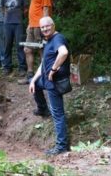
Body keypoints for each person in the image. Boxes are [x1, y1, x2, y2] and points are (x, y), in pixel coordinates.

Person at [29, 16, 70, 156]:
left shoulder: (58, 38)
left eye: (47, 26)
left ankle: (62, 146)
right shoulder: (48, 40)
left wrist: (53, 69)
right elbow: (43, 63)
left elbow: (64, 52)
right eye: (42, 27)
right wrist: (34, 80)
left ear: (53, 25)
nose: (45, 29)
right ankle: (42, 109)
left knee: (58, 115)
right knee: (35, 86)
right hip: (46, 81)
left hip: (54, 83)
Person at [18, 0, 53, 85]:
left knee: (42, 50)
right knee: (27, 49)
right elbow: (34, 10)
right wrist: (29, 25)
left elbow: (46, 8)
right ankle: (30, 76)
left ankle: (45, 75)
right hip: (32, 26)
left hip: (40, 26)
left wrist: (45, 27)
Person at [1, 0, 28, 76]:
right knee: (7, 45)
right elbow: (2, 8)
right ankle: (7, 67)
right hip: (7, 24)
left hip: (18, 24)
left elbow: (25, 9)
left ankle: (22, 68)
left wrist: (20, 16)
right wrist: (6, 15)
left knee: (20, 45)